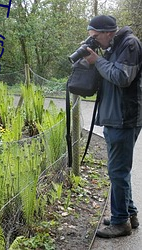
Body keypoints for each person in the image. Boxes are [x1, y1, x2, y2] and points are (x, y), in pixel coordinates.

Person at [84, 15, 142, 238]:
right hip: (114, 117)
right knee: (119, 171)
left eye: (96, 37)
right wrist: (94, 59)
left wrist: (97, 61)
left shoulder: (130, 44)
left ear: (108, 32)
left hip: (124, 118)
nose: (95, 41)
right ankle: (129, 214)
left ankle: (120, 223)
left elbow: (121, 77)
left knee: (117, 171)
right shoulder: (113, 46)